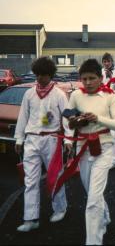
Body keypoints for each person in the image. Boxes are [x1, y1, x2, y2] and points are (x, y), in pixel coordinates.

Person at [66, 58, 115, 245]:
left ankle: (93, 241)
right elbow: (67, 119)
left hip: (104, 147)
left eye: (92, 78)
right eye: (84, 79)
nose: (88, 82)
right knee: (92, 192)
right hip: (83, 148)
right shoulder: (75, 95)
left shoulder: (111, 95)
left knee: (92, 200)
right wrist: (72, 125)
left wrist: (98, 118)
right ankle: (105, 217)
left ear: (100, 77)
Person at [14, 57, 73, 232]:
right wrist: (19, 139)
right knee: (30, 180)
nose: (40, 78)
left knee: (55, 176)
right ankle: (31, 218)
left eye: (44, 75)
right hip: (32, 139)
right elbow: (22, 117)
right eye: (37, 75)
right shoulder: (29, 93)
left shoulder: (59, 94)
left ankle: (60, 208)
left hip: (52, 139)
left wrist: (69, 139)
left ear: (51, 74)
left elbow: (68, 116)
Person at [101, 53, 115, 168]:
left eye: (108, 61)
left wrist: (111, 75)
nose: (106, 63)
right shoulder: (100, 72)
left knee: (114, 134)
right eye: (104, 62)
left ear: (112, 62)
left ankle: (114, 160)